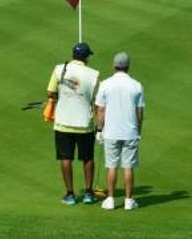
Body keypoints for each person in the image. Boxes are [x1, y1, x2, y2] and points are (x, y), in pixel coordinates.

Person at [48, 42, 101, 204]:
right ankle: (88, 193)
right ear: (86, 58)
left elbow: (51, 92)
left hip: (63, 122)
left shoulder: (59, 69)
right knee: (87, 158)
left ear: (72, 55)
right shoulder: (94, 74)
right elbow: (98, 102)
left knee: (65, 157)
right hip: (84, 124)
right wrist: (100, 126)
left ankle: (70, 194)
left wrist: (57, 98)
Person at [94, 51, 146, 211]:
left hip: (111, 132)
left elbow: (100, 110)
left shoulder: (105, 84)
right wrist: (138, 131)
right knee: (128, 167)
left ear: (114, 65)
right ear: (128, 66)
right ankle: (129, 201)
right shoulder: (136, 85)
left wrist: (99, 130)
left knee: (111, 166)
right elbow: (139, 113)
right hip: (130, 132)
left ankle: (110, 200)